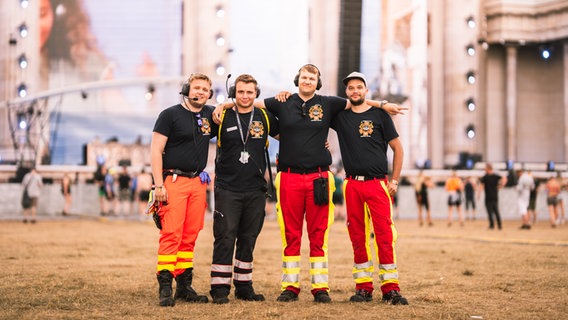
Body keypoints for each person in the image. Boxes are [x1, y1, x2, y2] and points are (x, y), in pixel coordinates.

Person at [213, 64, 405, 303]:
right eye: (304, 77)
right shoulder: (282, 101)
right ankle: (290, 287)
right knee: (291, 234)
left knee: (319, 235)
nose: (307, 81)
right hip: (289, 178)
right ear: (297, 79)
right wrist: (223, 104)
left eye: (312, 78)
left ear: (318, 81)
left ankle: (320, 288)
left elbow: (358, 102)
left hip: (319, 178)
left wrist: (383, 104)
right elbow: (249, 103)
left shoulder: (329, 103)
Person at [330, 71, 408, 305]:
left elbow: (398, 149)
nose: (355, 91)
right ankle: (363, 288)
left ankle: (391, 289)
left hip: (378, 184)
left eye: (359, 87)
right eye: (351, 88)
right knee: (357, 236)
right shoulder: (340, 117)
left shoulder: (380, 116)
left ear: (366, 90)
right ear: (346, 92)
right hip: (352, 184)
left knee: (384, 236)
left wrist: (394, 180)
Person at [209, 74, 278, 304]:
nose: (245, 96)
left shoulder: (265, 117)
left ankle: (244, 286)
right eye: (240, 92)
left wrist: (323, 143)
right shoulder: (221, 116)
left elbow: (292, 134)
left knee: (248, 238)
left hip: (256, 190)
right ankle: (219, 288)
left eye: (250, 92)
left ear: (256, 94)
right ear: (233, 93)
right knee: (225, 237)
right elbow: (195, 138)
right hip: (227, 188)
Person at [150, 72, 217, 307]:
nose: (200, 92)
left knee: (190, 235)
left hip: (198, 182)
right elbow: (156, 151)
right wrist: (159, 185)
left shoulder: (211, 114)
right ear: (187, 89)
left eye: (205, 89)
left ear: (210, 94)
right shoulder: (169, 115)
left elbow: (236, 114)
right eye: (196, 87)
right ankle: (165, 286)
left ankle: (184, 286)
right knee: (171, 234)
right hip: (173, 181)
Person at [479, 163, 506, 230]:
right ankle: (499, 225)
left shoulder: (485, 177)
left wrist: (478, 193)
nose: (484, 170)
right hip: (495, 196)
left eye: (485, 168)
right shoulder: (496, 176)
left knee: (490, 212)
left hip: (488, 197)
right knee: (496, 211)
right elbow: (504, 178)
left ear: (488, 168)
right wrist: (502, 185)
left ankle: (492, 225)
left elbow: (481, 186)